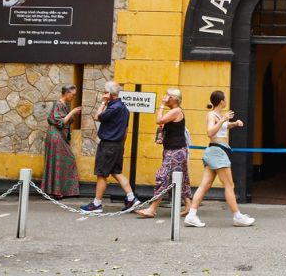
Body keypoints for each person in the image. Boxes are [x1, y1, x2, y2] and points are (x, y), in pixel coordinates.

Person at [184, 90, 255, 227]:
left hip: (215, 152)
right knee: (229, 185)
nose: (226, 101)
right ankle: (237, 216)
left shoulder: (217, 115)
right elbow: (210, 132)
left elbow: (222, 127)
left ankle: (191, 215)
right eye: (225, 99)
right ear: (222, 101)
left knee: (205, 185)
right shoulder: (212, 115)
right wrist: (223, 119)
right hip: (217, 152)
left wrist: (234, 124)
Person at [80, 81, 139, 213]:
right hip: (118, 145)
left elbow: (96, 117)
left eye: (105, 92)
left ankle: (97, 204)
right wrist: (121, 145)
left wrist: (102, 103)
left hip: (108, 145)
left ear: (109, 94)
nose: (103, 94)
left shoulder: (113, 108)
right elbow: (125, 130)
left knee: (102, 174)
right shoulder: (124, 108)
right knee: (117, 172)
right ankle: (131, 198)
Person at [136, 88, 192, 218]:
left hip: (175, 151)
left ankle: (152, 209)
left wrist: (161, 105)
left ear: (174, 99)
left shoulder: (176, 111)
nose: (165, 97)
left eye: (167, 96)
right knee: (181, 178)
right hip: (175, 150)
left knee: (162, 177)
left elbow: (159, 120)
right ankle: (188, 206)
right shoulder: (174, 111)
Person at [41, 84, 82, 199]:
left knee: (62, 161)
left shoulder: (65, 105)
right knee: (59, 161)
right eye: (73, 95)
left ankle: (60, 190)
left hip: (60, 136)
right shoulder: (57, 104)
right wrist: (73, 112)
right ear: (66, 93)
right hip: (55, 136)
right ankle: (56, 191)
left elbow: (67, 120)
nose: (73, 97)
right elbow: (60, 122)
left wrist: (72, 114)